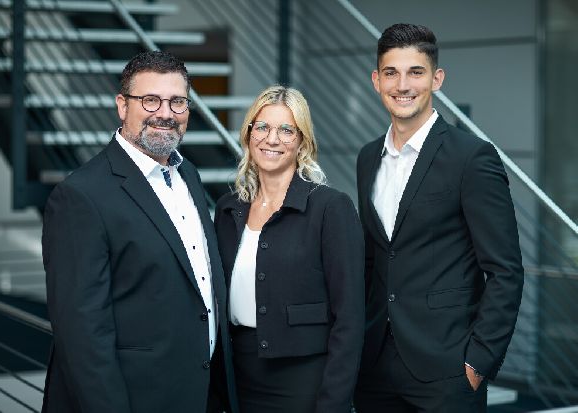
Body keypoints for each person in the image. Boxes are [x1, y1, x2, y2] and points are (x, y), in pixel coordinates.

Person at [41, 51, 237, 413]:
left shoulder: (188, 174)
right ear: (122, 106)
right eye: (150, 100)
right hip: (136, 399)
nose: (165, 113)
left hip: (199, 394)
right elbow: (82, 334)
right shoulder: (80, 196)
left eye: (177, 101)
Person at [354, 23, 524, 412]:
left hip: (448, 370)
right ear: (376, 81)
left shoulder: (472, 157)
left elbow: (505, 270)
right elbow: (374, 259)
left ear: (437, 79)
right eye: (391, 73)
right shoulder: (367, 158)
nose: (403, 85)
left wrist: (479, 360)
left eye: (415, 72)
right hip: (374, 367)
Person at [214, 85, 365, 413]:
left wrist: (334, 403)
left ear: (302, 142)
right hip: (238, 376)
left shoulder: (330, 208)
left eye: (286, 130)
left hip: (304, 381)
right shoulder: (228, 209)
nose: (272, 139)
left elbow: (350, 318)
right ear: (249, 134)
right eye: (262, 127)